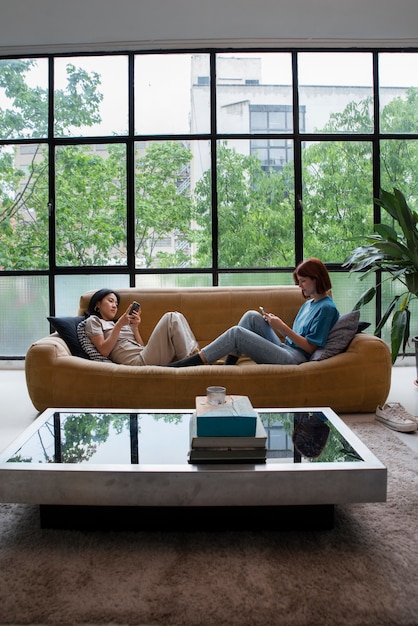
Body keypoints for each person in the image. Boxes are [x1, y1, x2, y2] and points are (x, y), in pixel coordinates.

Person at [165, 257, 339, 367]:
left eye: (303, 281)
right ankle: (229, 366)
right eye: (299, 281)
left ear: (317, 279)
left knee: (236, 334)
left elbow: (310, 347)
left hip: (295, 359)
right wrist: (274, 324)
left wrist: (282, 327)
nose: (299, 286)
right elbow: (291, 338)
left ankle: (190, 363)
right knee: (251, 316)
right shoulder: (309, 304)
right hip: (287, 348)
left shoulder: (327, 309)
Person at [82, 288, 199, 366]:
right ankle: (192, 362)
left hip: (143, 355)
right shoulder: (93, 321)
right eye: (110, 301)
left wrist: (134, 328)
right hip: (135, 363)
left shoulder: (119, 323)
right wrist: (119, 325)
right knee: (171, 317)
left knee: (178, 316)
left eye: (116, 304)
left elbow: (142, 347)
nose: (114, 306)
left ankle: (193, 357)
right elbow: (104, 351)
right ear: (98, 304)